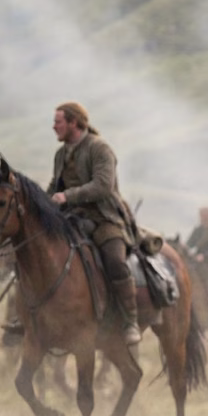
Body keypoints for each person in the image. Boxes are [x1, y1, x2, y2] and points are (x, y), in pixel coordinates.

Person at [47, 102, 140, 345]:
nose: (54, 126)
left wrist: (67, 196)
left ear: (74, 123)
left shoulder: (100, 148)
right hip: (72, 218)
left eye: (58, 122)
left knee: (115, 261)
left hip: (104, 218)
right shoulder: (60, 154)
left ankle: (130, 320)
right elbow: (55, 186)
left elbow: (103, 186)